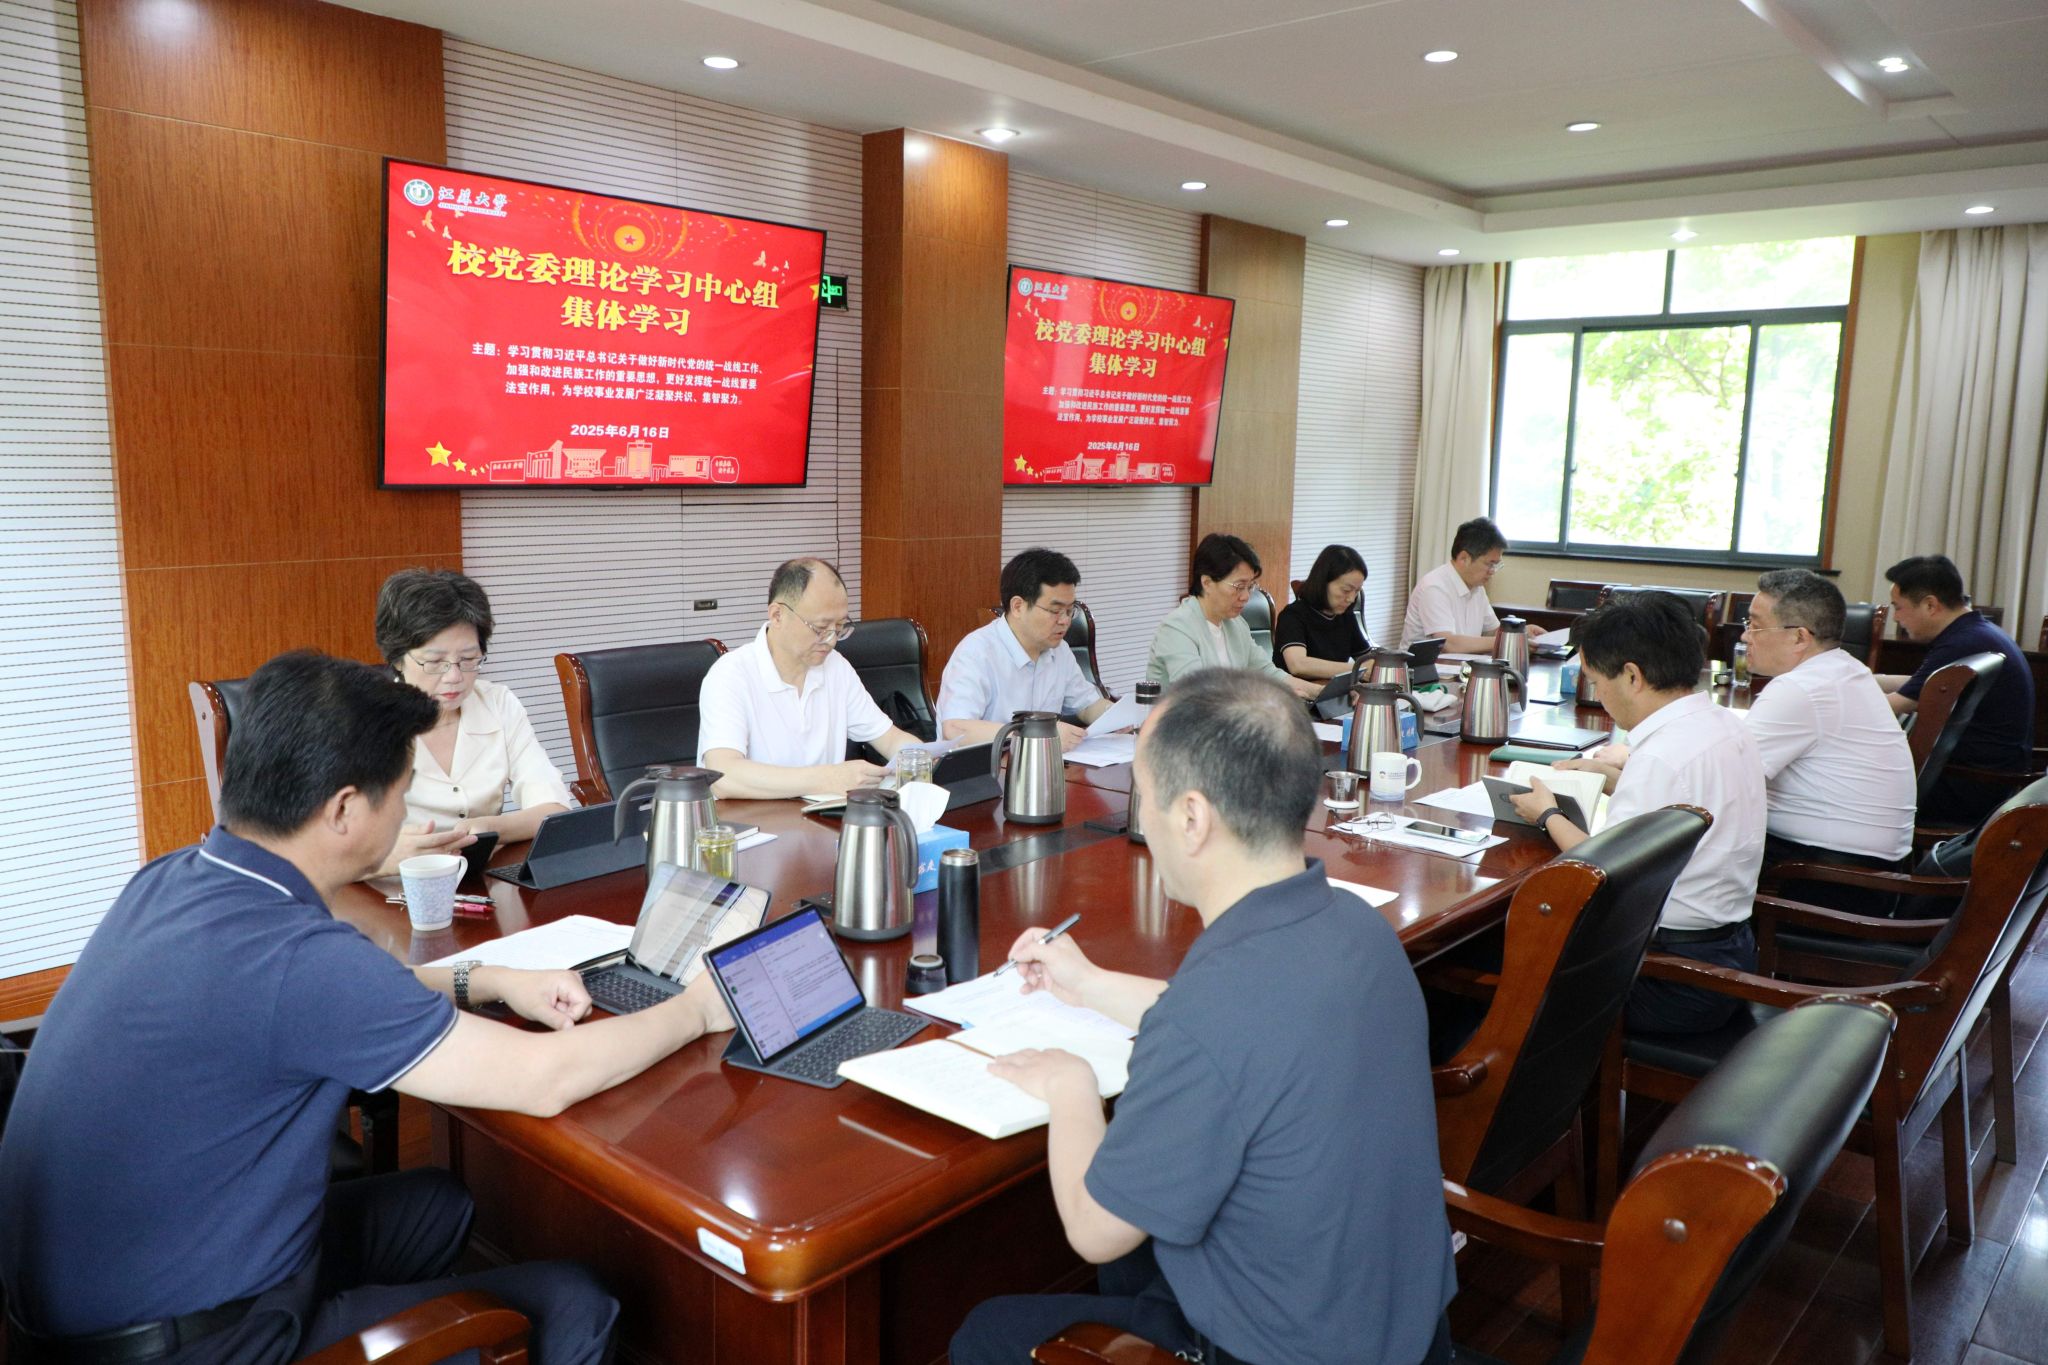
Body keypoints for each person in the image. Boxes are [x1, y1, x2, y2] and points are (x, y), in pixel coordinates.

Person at [0, 651, 736, 1365]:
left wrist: (490, 978)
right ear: (346, 809)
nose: (408, 811)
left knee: (439, 1205)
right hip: (203, 1338)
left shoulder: (178, 878)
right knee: (577, 1303)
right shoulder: (297, 958)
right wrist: (698, 1009)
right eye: (404, 792)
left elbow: (330, 998)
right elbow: (544, 1079)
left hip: (89, 1288)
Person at [950, 670, 1456, 1365]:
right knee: (1139, 1267)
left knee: (984, 1332)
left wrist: (1069, 1087)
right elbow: (1252, 1032)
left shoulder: (1212, 1012)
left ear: (1191, 817)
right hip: (1405, 1328)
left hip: (1283, 1349)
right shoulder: (1356, 924)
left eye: (1143, 792)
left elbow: (1094, 1231)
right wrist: (1088, 984)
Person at [1508, 593, 1765, 1034]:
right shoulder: (1723, 724)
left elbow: (1600, 874)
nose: (1599, 695)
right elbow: (1681, 801)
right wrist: (1609, 776)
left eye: (1596, 681)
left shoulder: (1660, 757)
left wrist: (1546, 814)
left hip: (1668, 977)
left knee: (1500, 960)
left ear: (1631, 675)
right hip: (1730, 956)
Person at [372, 568, 572, 876]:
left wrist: (489, 828)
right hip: (388, 890)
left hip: (480, 884)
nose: (454, 676)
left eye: (468, 659)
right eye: (435, 661)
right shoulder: (360, 720)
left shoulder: (498, 703)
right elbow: (314, 853)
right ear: (398, 658)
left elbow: (553, 811)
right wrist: (387, 856)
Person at [697, 557, 920, 799]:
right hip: (750, 819)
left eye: (839, 627)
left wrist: (926, 758)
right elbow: (723, 776)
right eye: (820, 628)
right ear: (777, 615)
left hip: (822, 817)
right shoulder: (731, 675)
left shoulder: (836, 667)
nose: (831, 641)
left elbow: (890, 739)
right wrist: (828, 778)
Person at [1742, 570, 1914, 872]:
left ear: (1799, 637)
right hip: (1870, 865)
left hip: (1825, 872)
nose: (1745, 636)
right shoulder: (1843, 668)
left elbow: (1727, 776)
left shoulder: (1800, 688)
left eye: (1755, 626)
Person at [1874, 554, 2036, 826]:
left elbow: (1896, 705)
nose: (1896, 618)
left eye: (1898, 608)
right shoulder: (1975, 632)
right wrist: (1865, 679)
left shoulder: (1963, 642)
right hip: (1984, 780)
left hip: (1967, 788)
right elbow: (1926, 683)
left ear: (1930, 605)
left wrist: (1833, 698)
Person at [936, 547, 1115, 750]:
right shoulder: (976, 652)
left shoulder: (1059, 650)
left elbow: (1086, 705)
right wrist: (1037, 734)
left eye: (1069, 610)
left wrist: (1118, 716)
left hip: (1041, 764)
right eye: (1055, 611)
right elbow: (956, 729)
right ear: (1018, 606)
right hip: (984, 766)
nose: (1065, 621)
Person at [1145, 534, 1321, 700]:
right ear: (1207, 583)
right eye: (1239, 586)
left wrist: (1320, 693)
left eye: (1250, 586)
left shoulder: (1236, 624)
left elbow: (1268, 673)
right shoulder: (1177, 627)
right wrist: (1270, 698)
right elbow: (1198, 693)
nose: (1246, 596)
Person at [1401, 516, 1542, 653]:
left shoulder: (1477, 588)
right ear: (1464, 558)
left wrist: (1520, 632)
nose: (1493, 571)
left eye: (1496, 565)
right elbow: (1448, 644)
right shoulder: (1434, 587)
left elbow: (1492, 632)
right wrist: (1508, 641)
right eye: (1490, 564)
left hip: (1459, 666)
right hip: (1422, 668)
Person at [1274, 543, 1371, 680]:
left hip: (1332, 691)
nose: (1351, 599)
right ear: (1323, 582)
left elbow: (1367, 659)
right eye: (1346, 590)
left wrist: (1372, 666)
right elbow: (1298, 665)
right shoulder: (1292, 615)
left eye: (1357, 591)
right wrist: (1357, 669)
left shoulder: (1346, 617)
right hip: (1295, 692)